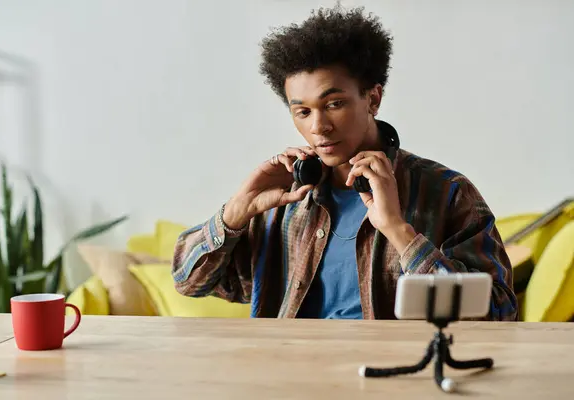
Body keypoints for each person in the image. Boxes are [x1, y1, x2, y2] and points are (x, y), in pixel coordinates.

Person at [171, 6, 517, 321]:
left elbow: (500, 315)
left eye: (334, 104)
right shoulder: (283, 199)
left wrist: (399, 231)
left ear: (373, 98)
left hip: (389, 380)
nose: (318, 127)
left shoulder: (447, 193)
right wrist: (235, 212)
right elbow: (189, 282)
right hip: (287, 375)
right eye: (302, 112)